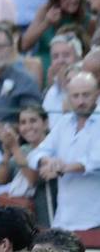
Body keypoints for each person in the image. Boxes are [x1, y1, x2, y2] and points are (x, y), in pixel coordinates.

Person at [29, 71, 100, 231]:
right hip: (63, 220)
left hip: (95, 219)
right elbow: (35, 154)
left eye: (86, 95)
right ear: (68, 97)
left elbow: (94, 160)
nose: (80, 101)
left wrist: (62, 168)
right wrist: (48, 161)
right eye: (75, 96)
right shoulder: (64, 123)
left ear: (97, 94)